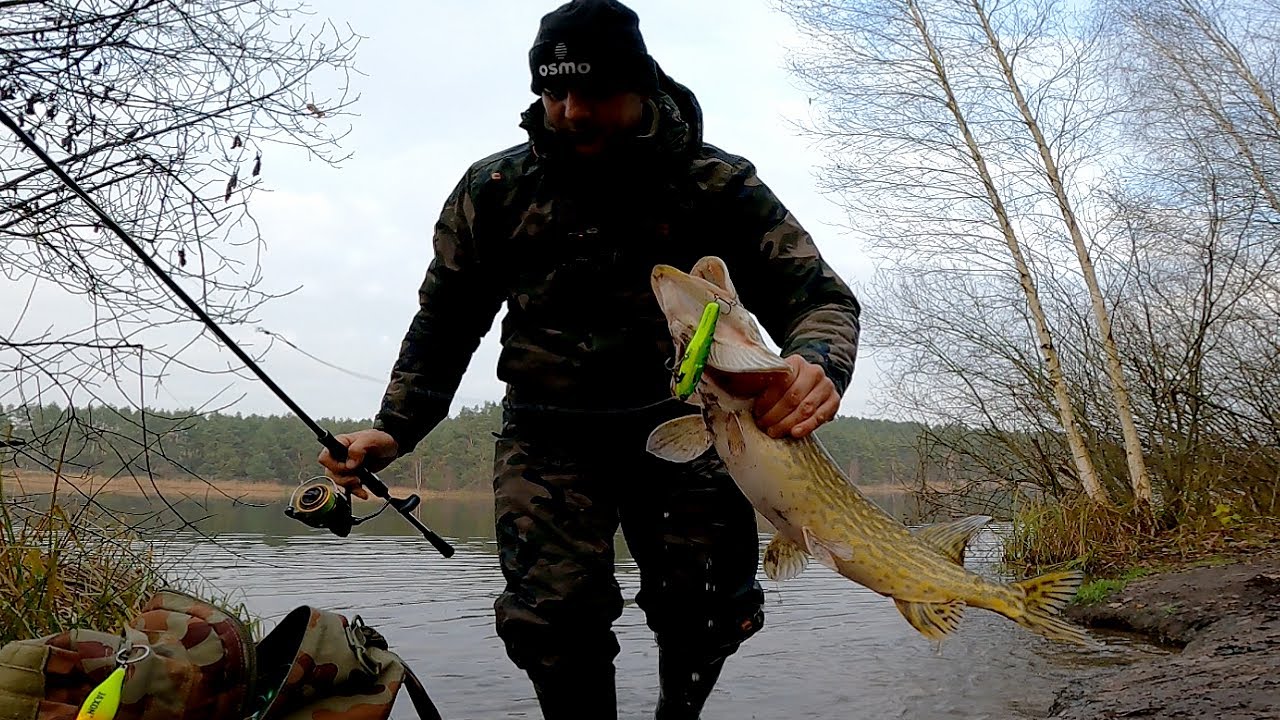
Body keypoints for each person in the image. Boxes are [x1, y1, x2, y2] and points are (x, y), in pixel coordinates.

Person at [317, 1, 862, 718]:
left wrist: (816, 364)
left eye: (593, 92)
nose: (570, 111)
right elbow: (446, 321)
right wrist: (395, 428)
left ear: (642, 87)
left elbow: (820, 300)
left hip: (693, 425)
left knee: (708, 611)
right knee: (550, 621)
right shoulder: (494, 190)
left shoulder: (719, 185)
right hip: (549, 435)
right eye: (553, 92)